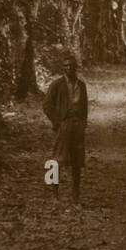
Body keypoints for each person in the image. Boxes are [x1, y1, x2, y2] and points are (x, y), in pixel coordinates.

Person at [44, 54, 88, 203]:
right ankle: (54, 193)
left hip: (77, 126)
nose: (69, 68)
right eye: (66, 66)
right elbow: (47, 105)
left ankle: (75, 194)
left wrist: (83, 123)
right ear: (62, 68)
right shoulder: (56, 85)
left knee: (77, 160)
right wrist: (56, 122)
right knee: (56, 160)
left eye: (71, 66)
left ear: (76, 67)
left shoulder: (81, 85)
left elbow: (85, 107)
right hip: (63, 125)